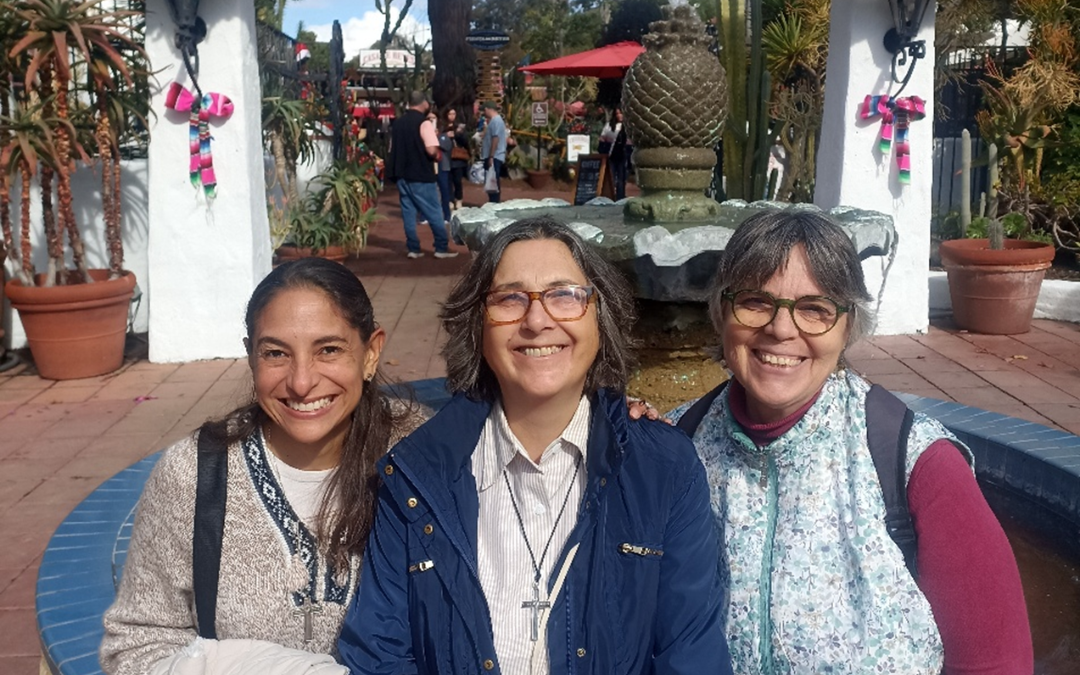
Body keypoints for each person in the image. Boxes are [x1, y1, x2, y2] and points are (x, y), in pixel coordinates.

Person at [338, 217, 732, 675]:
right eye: (510, 298)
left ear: (600, 316)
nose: (537, 320)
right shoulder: (415, 476)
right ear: (478, 325)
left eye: (564, 295)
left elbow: (690, 655)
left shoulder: (662, 467)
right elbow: (379, 655)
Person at [664, 210, 1032, 674]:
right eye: (756, 302)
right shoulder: (675, 447)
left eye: (815, 309)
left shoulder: (914, 462)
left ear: (848, 325)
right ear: (721, 311)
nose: (781, 329)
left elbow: (995, 660)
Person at [100, 258, 413, 675]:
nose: (302, 382)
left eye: (329, 350)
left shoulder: (417, 455)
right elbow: (136, 647)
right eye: (276, 353)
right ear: (251, 357)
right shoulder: (195, 475)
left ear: (371, 352)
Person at [385, 91, 458, 260]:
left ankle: (413, 248)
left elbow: (391, 148)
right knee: (434, 211)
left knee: (408, 213)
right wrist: (438, 154)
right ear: (423, 103)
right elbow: (432, 149)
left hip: (401, 174)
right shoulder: (424, 123)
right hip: (421, 174)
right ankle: (441, 246)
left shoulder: (398, 123)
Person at [480, 100, 508, 203]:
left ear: (487, 109)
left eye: (484, 111)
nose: (483, 113)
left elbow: (495, 139)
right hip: (492, 156)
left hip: (495, 156)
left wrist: (491, 156)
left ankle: (495, 203)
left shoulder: (496, 121)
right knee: (490, 182)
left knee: (493, 182)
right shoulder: (494, 121)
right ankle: (492, 202)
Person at [599, 108, 630, 201]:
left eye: (621, 113)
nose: (619, 115)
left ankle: (620, 196)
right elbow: (602, 138)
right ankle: (611, 195)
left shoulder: (628, 126)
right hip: (611, 154)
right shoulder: (609, 126)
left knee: (621, 177)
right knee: (611, 176)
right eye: (617, 113)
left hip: (623, 154)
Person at [444, 108, 469, 211]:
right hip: (447, 157)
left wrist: (457, 135)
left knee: (457, 181)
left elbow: (465, 142)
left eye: (454, 114)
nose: (452, 116)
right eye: (450, 114)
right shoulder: (442, 127)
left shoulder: (459, 127)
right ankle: (449, 200)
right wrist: (445, 135)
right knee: (448, 181)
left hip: (458, 158)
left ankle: (458, 198)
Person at [432, 109, 454, 223]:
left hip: (442, 166)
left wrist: (436, 137)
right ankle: (426, 215)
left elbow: (447, 146)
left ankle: (446, 215)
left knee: (444, 190)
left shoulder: (443, 135)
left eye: (433, 119)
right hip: (430, 166)